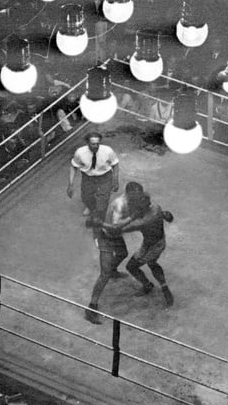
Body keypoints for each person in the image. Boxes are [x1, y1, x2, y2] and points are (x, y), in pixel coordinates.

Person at [84, 182, 145, 325]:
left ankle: (113, 270)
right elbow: (115, 227)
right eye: (136, 196)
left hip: (113, 235)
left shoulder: (131, 201)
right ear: (129, 193)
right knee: (104, 274)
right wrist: (133, 219)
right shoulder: (119, 205)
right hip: (105, 236)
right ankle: (91, 307)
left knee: (122, 253)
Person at [112, 192, 175, 308]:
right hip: (149, 243)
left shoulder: (143, 221)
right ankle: (150, 285)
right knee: (136, 266)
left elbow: (126, 227)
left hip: (156, 246)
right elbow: (162, 214)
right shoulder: (155, 207)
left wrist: (112, 226)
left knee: (146, 264)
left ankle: (163, 288)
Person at [67, 131, 120, 226]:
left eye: (97, 143)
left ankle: (99, 220)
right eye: (93, 144)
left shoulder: (107, 151)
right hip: (88, 177)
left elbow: (115, 164)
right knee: (86, 197)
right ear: (88, 143)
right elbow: (73, 166)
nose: (95, 146)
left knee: (103, 200)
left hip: (104, 177)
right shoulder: (80, 152)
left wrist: (115, 180)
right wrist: (70, 184)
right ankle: (90, 207)